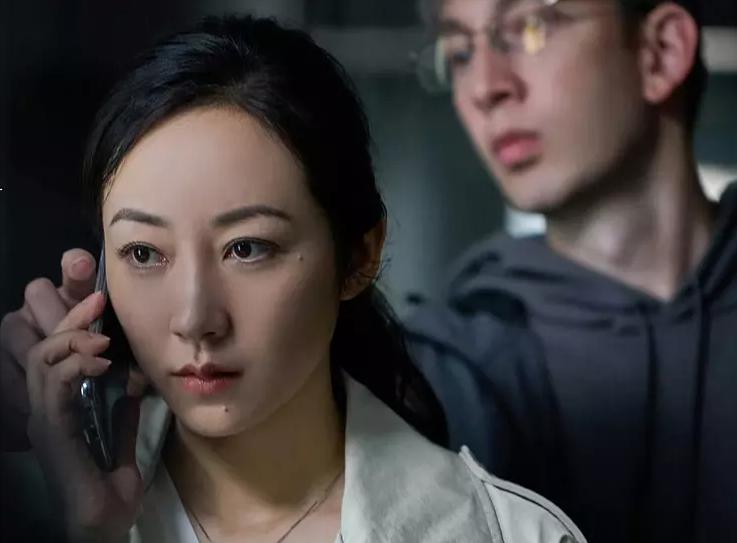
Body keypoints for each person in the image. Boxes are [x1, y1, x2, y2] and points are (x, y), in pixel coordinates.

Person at [1, 15, 585, 543]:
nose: (195, 319)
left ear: (358, 256)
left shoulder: (515, 535)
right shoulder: (36, 510)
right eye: (144, 253)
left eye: (246, 248)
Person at [403, 0, 737, 542]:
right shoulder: (435, 381)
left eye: (531, 27)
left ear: (661, 51)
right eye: (460, 53)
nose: (485, 87)